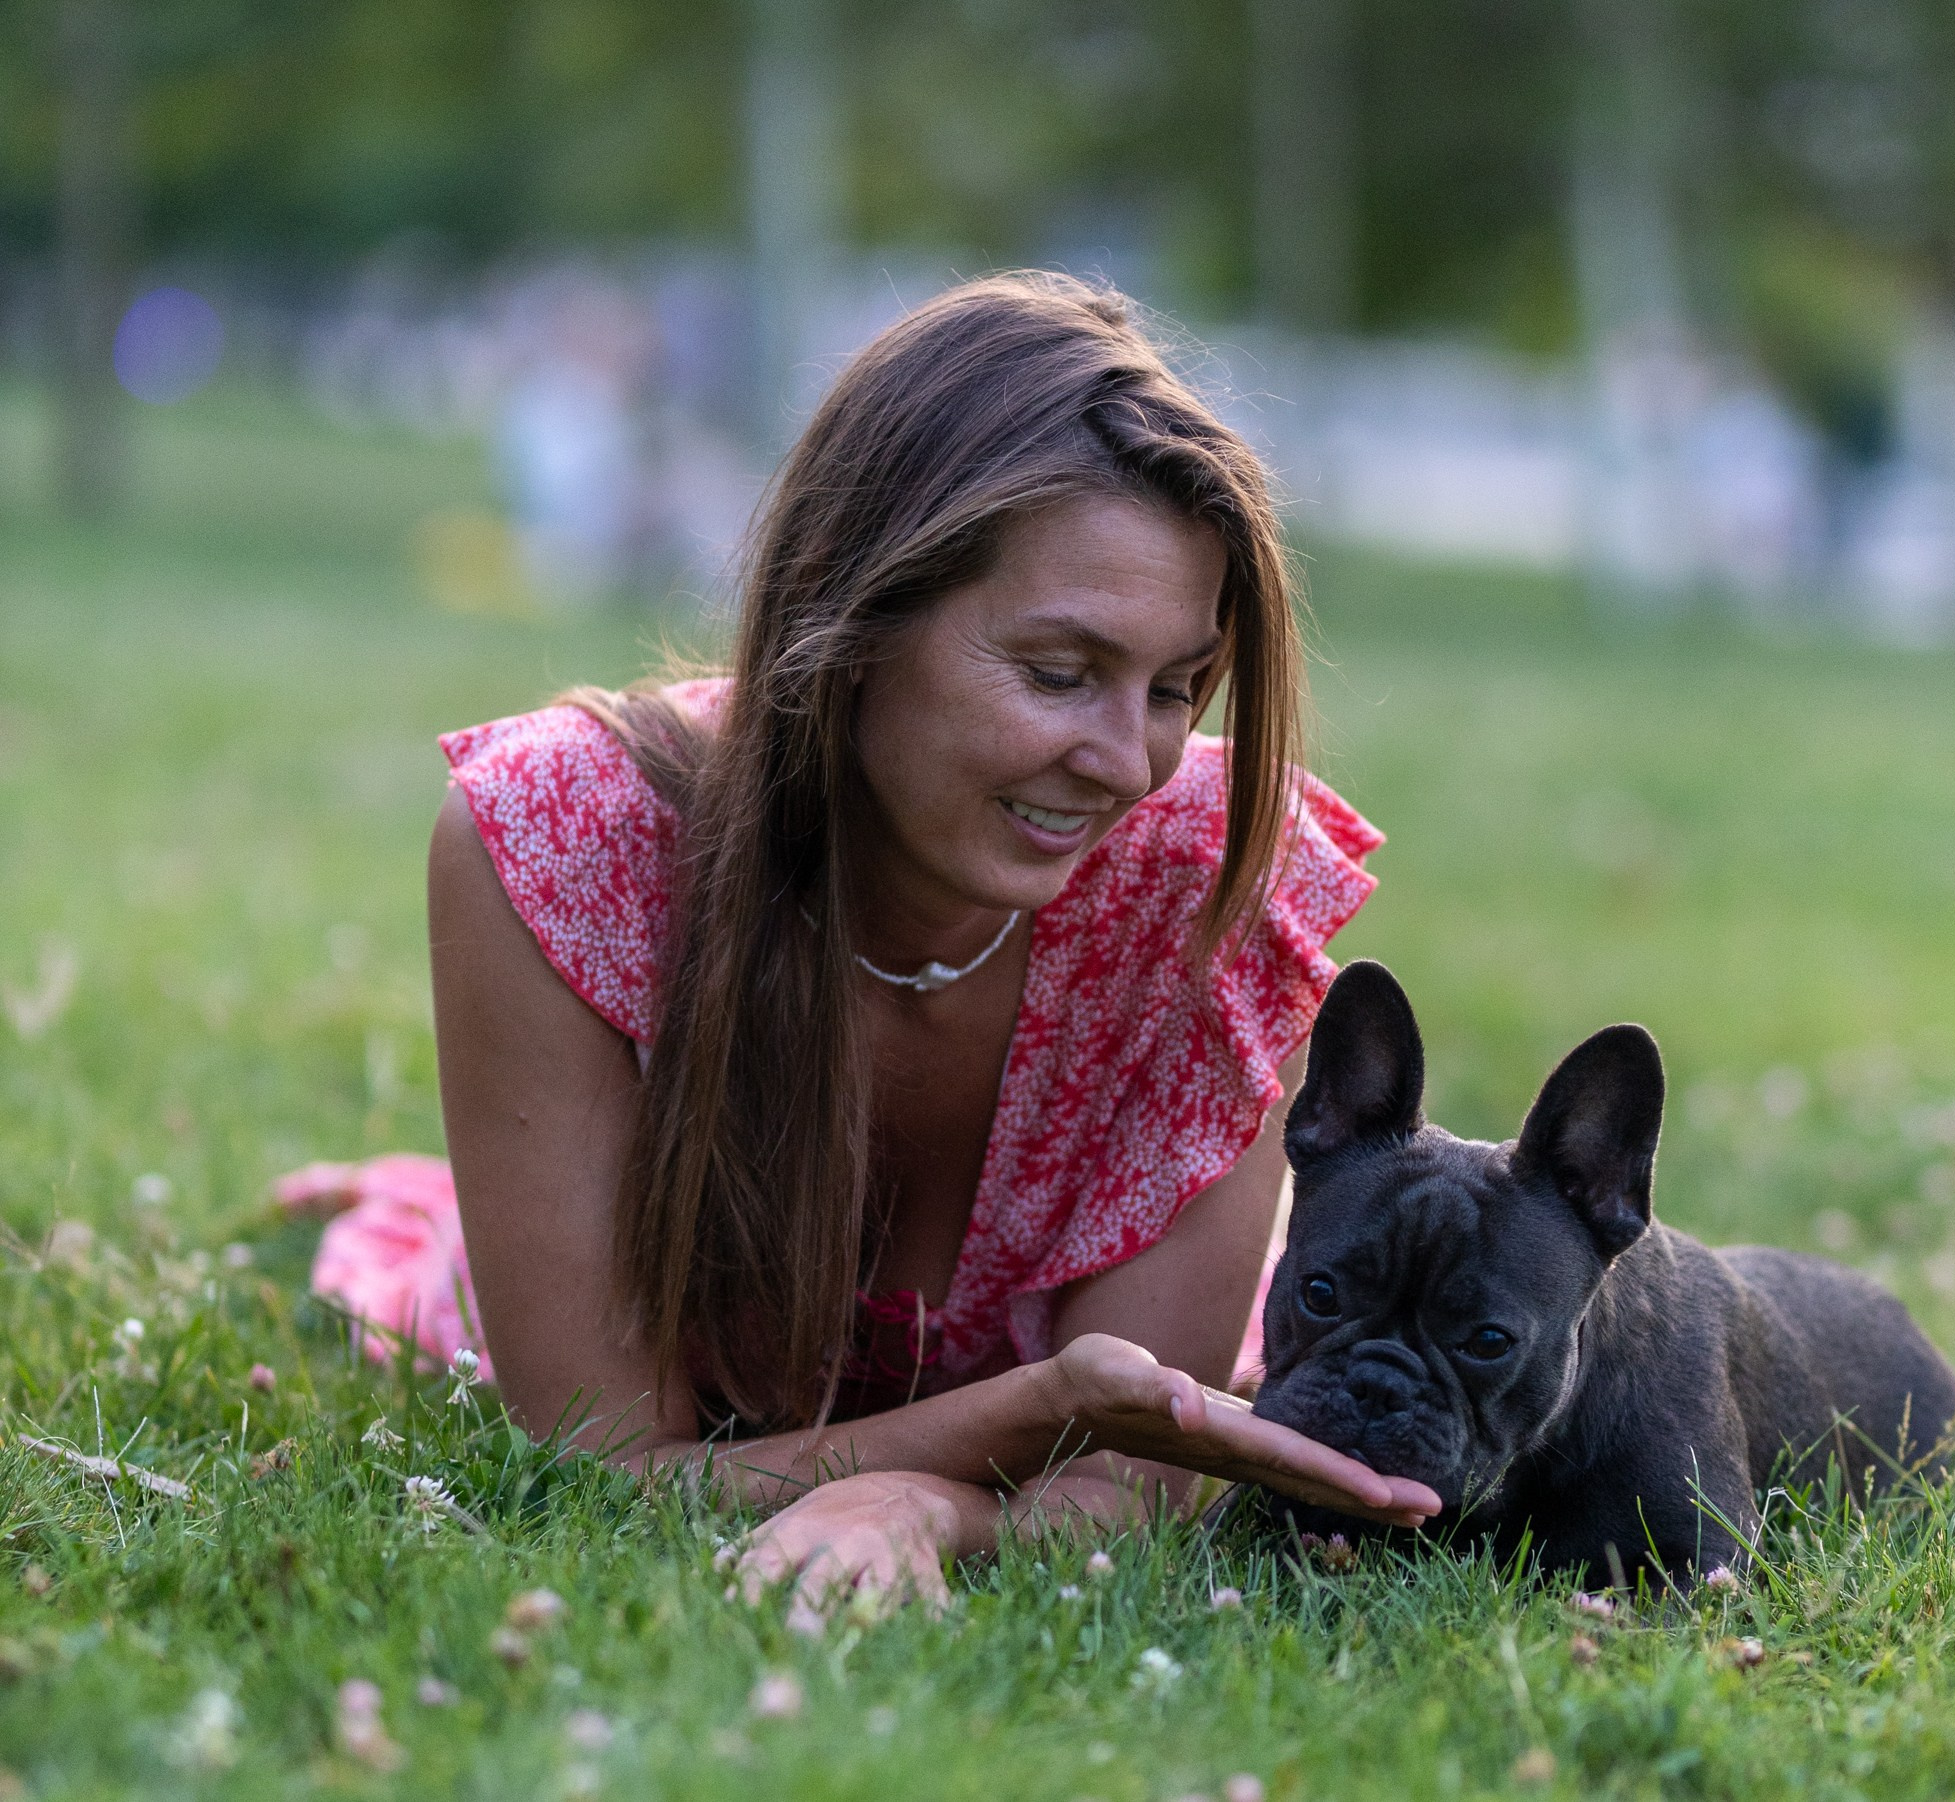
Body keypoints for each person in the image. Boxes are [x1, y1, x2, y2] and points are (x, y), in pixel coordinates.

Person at [314, 272, 1440, 1621]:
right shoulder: (566, 839)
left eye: (1175, 688)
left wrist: (920, 1495)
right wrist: (1036, 1410)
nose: (1127, 760)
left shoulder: (1212, 882)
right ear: (852, 621)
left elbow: (1127, 1490)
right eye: (1059, 671)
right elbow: (599, 1468)